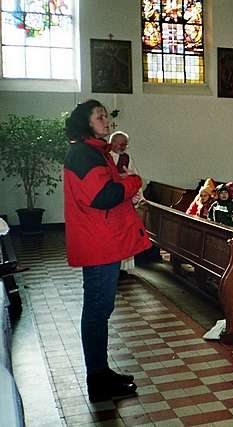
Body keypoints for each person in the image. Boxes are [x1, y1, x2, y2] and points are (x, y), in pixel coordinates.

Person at [63, 99, 150, 402]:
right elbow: (102, 196)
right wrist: (133, 183)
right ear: (86, 123)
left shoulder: (94, 152)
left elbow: (106, 192)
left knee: (100, 310)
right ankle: (97, 379)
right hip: (98, 244)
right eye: (99, 116)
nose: (106, 120)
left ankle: (100, 372)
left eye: (105, 116)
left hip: (101, 240)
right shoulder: (84, 154)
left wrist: (126, 193)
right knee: (97, 311)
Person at [108, 131, 144, 277]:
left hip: (124, 200)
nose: (124, 147)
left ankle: (123, 268)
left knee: (125, 235)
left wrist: (140, 196)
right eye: (121, 143)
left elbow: (135, 176)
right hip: (109, 202)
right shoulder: (105, 156)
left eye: (125, 144)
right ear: (113, 142)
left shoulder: (127, 158)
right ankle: (111, 265)